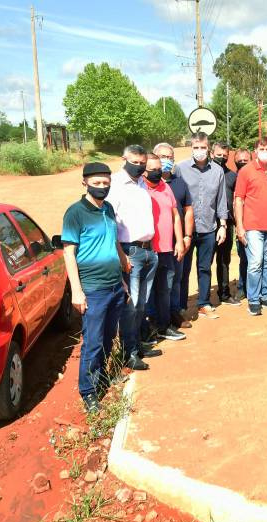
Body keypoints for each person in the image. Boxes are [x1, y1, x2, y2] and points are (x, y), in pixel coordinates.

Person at [61, 162, 131, 413]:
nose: (102, 187)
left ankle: (102, 378)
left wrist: (122, 276)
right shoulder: (75, 213)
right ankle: (89, 392)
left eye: (105, 183)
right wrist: (77, 291)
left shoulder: (108, 209)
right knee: (92, 341)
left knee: (109, 337)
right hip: (93, 289)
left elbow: (113, 242)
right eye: (96, 183)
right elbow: (69, 253)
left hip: (114, 286)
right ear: (85, 183)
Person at [108, 145, 160, 369]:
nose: (138, 167)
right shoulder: (115, 186)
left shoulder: (141, 183)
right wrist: (121, 256)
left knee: (141, 304)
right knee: (131, 305)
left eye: (142, 163)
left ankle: (137, 345)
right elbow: (110, 225)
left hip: (148, 250)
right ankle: (129, 353)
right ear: (124, 159)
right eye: (134, 162)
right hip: (129, 252)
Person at [174, 132, 228, 320]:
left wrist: (223, 225)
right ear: (191, 148)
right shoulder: (180, 169)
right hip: (185, 230)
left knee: (205, 267)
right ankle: (180, 306)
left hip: (209, 228)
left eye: (203, 147)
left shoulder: (217, 171)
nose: (199, 151)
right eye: (196, 147)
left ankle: (203, 303)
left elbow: (221, 200)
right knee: (183, 270)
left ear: (209, 149)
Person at [234, 137, 267, 316]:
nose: (265, 151)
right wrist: (240, 227)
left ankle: (265, 295)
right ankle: (254, 300)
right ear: (255, 150)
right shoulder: (246, 171)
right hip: (252, 226)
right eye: (261, 148)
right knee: (255, 262)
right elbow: (239, 199)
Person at [142, 153, 186, 341]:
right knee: (146, 292)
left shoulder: (165, 187)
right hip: (147, 250)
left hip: (167, 249)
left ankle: (164, 326)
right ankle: (147, 328)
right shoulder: (139, 189)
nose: (158, 172)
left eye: (159, 169)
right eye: (153, 170)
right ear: (143, 171)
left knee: (165, 289)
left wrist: (179, 240)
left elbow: (176, 216)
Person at [154, 142, 194, 329]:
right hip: (156, 244)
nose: (166, 161)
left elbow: (187, 211)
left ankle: (174, 312)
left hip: (177, 241)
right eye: (162, 157)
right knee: (159, 283)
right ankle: (155, 319)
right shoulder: (148, 184)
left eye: (170, 157)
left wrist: (186, 237)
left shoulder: (179, 183)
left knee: (176, 279)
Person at [211, 141, 240, 305]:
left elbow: (237, 200)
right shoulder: (205, 173)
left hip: (227, 224)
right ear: (211, 154)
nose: (221, 158)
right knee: (205, 262)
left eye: (224, 156)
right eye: (218, 155)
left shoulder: (232, 176)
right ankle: (203, 300)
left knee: (224, 260)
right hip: (207, 224)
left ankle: (224, 293)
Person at [233, 148, 252, 300]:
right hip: (241, 225)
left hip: (258, 224)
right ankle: (242, 287)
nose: (243, 163)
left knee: (262, 260)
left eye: (246, 160)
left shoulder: (257, 176)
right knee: (244, 258)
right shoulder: (233, 178)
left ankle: (262, 289)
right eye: (239, 161)